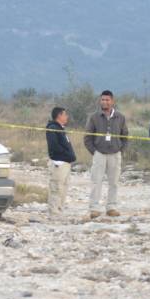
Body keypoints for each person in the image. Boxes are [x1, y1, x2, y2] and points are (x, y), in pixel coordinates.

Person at [84, 90, 128, 218]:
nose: (105, 102)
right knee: (96, 181)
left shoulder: (120, 117)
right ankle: (94, 208)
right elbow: (87, 137)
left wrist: (121, 150)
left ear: (112, 101)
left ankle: (111, 207)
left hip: (115, 154)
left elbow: (125, 136)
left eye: (107, 100)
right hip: (99, 154)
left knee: (114, 182)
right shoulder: (94, 117)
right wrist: (95, 152)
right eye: (103, 99)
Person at [45, 106, 76, 216]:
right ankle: (53, 211)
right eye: (65, 114)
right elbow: (54, 146)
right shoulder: (52, 128)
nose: (67, 117)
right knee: (56, 187)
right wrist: (66, 155)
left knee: (63, 187)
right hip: (59, 163)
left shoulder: (61, 128)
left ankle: (59, 209)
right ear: (59, 115)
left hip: (66, 163)